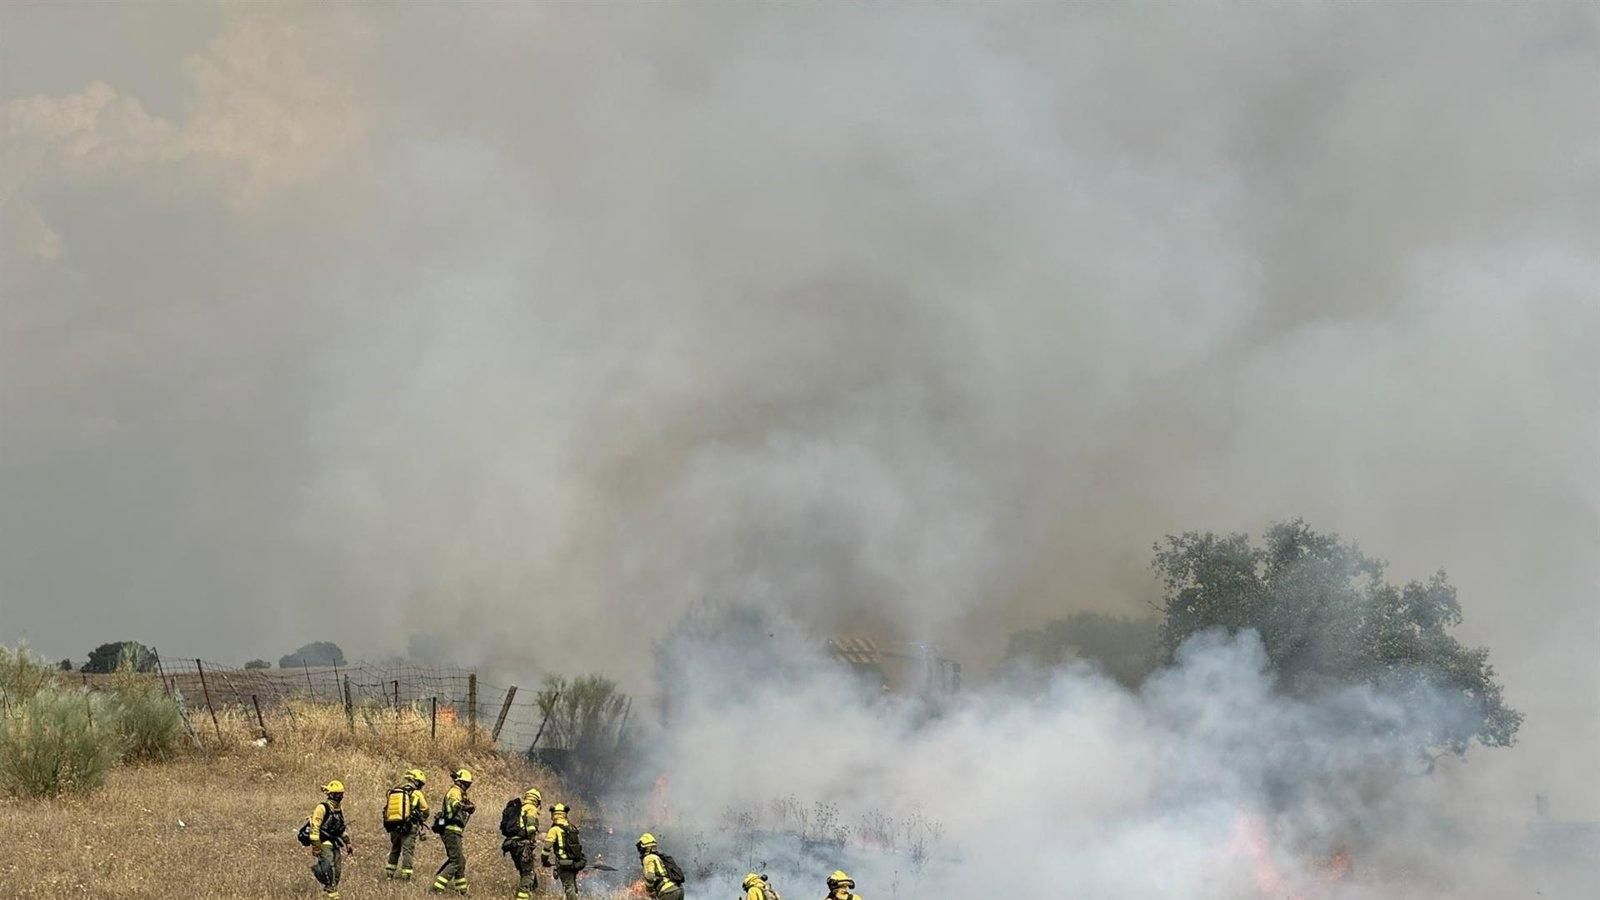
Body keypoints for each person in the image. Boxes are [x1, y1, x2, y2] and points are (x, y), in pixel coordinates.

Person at [305, 780, 353, 900]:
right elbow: (315, 828)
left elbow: (340, 829)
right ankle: (332, 894)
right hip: (323, 842)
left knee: (337, 870)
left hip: (334, 842)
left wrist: (347, 842)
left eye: (341, 794)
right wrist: (316, 846)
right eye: (337, 794)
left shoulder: (338, 809)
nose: (340, 797)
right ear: (331, 794)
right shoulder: (322, 808)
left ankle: (330, 889)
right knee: (328, 867)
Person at [431, 768, 475, 895]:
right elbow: (455, 804)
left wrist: (468, 805)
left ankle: (462, 890)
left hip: (455, 830)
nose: (467, 786)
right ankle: (436, 889)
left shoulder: (459, 793)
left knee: (460, 861)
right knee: (456, 861)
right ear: (461, 782)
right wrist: (466, 807)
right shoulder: (455, 791)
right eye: (466, 784)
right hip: (451, 830)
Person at [384, 768, 430, 881]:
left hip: (394, 825)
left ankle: (389, 874)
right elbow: (425, 809)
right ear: (416, 781)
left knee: (395, 848)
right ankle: (406, 876)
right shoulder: (416, 793)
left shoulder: (395, 791)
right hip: (409, 826)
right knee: (407, 851)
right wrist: (420, 820)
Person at [507, 787, 542, 900]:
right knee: (528, 873)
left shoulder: (520, 808)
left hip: (513, 844)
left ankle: (531, 893)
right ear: (537, 801)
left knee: (524, 871)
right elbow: (531, 827)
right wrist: (532, 840)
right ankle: (522, 897)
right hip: (523, 845)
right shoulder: (531, 808)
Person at [543, 802, 584, 899]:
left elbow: (547, 848)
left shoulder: (554, 829)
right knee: (572, 886)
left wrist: (544, 861)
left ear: (554, 814)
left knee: (569, 887)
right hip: (575, 862)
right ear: (565, 814)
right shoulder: (571, 827)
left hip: (563, 863)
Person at [637, 832, 683, 900]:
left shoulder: (648, 858)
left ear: (644, 848)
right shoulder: (659, 857)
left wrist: (650, 891)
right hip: (679, 889)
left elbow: (650, 877)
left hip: (668, 891)